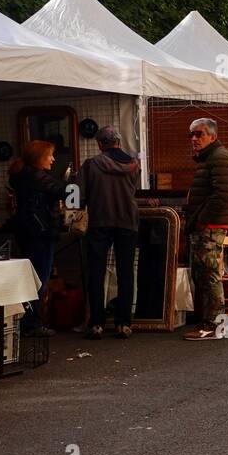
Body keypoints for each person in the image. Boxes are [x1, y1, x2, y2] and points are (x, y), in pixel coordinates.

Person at [78, 126, 140, 340]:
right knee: (126, 272)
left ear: (100, 144)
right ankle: (124, 323)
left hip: (100, 222)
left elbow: (77, 197)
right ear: (119, 142)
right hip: (128, 222)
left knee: (96, 272)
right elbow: (135, 192)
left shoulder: (90, 165)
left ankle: (96, 324)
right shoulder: (134, 165)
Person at [184, 118, 228, 340]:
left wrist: (201, 221)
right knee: (204, 274)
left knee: (209, 274)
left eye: (199, 134)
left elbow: (220, 196)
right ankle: (210, 322)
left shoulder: (219, 158)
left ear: (212, 136)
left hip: (210, 226)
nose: (194, 139)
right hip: (207, 224)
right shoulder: (210, 158)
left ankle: (214, 324)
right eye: (192, 134)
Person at [8, 139, 62, 337]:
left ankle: (28, 321)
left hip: (27, 231)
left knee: (31, 277)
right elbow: (62, 190)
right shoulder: (38, 177)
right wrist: (76, 186)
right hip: (41, 232)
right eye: (49, 155)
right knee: (40, 279)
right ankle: (31, 324)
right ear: (39, 157)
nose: (53, 159)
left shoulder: (22, 175)